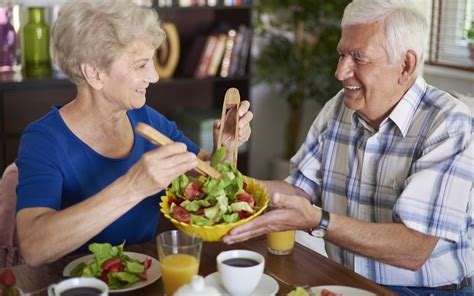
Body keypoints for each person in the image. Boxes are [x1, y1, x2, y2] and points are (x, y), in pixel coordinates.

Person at [224, 0, 473, 294]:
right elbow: (298, 189)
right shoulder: (338, 108)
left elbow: (414, 249)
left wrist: (319, 220)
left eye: (358, 57)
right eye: (342, 54)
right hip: (345, 279)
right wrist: (227, 180)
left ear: (406, 65)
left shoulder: (449, 124)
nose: (340, 72)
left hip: (427, 291)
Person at [15, 0, 253, 267]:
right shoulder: (44, 139)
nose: (153, 76)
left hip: (143, 277)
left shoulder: (147, 119)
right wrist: (133, 187)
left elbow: (210, 181)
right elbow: (33, 248)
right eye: (140, 65)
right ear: (94, 73)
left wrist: (227, 146)